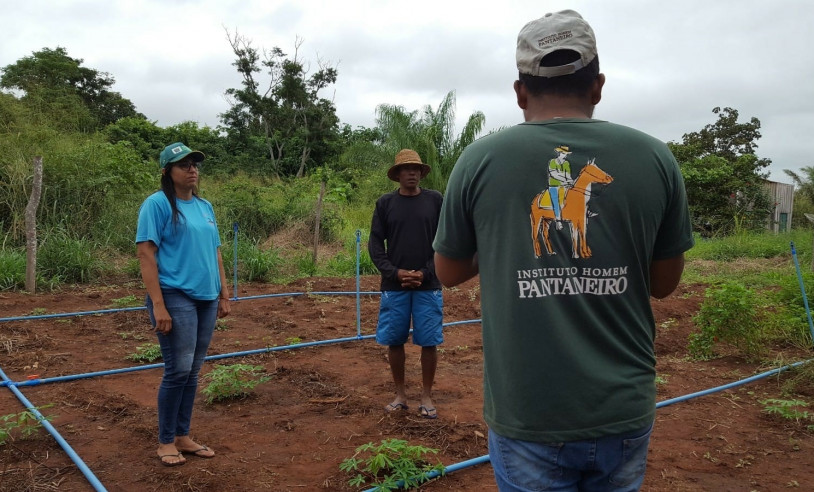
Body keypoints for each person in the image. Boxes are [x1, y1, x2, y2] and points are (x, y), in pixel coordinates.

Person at [433, 10, 694, 491]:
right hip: (623, 407)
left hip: (530, 411)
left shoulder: (479, 159)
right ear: (597, 86)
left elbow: (447, 272)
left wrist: (498, 240)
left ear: (520, 92)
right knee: (558, 202)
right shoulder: (657, 157)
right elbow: (663, 284)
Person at [136, 142, 231, 467]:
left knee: (192, 371)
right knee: (177, 370)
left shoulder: (205, 207)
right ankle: (165, 441)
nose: (192, 169)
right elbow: (146, 254)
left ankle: (182, 435)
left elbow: (215, 251)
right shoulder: (158, 204)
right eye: (183, 165)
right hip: (175, 296)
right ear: (167, 172)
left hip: (206, 298)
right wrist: (158, 305)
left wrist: (224, 292)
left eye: (194, 164)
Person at [369, 149, 444, 419]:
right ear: (398, 174)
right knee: (394, 340)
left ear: (421, 173)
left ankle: (426, 395)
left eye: (416, 169)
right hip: (394, 286)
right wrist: (395, 272)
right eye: (406, 169)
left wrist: (426, 272)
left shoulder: (435, 200)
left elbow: (443, 241)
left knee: (429, 341)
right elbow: (376, 244)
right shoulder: (385, 204)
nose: (411, 173)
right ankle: (400, 395)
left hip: (429, 284)